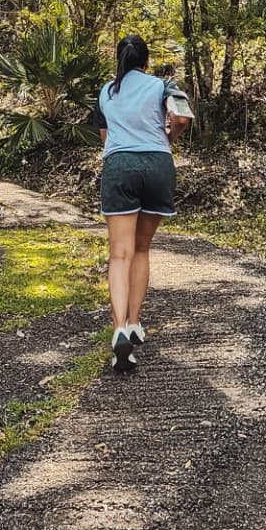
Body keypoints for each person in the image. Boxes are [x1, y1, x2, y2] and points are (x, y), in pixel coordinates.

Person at [89, 34, 192, 374]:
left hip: (120, 168)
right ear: (146, 62)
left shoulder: (106, 92)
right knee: (142, 249)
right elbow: (181, 119)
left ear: (117, 60)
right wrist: (167, 139)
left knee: (120, 254)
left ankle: (119, 330)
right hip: (158, 166)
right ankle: (134, 322)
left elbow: (105, 138)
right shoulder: (163, 86)